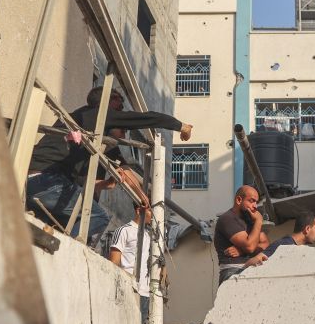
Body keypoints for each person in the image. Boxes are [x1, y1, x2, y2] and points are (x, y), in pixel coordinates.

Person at [27, 87, 193, 242]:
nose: (124, 131)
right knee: (96, 217)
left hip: (33, 182)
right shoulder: (98, 114)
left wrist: (143, 196)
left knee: (57, 225)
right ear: (107, 100)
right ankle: (63, 250)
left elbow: (124, 169)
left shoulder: (93, 137)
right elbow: (144, 118)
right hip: (46, 179)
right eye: (118, 102)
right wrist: (180, 126)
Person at [214, 186, 270, 284]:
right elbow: (250, 246)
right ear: (239, 200)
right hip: (233, 271)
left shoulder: (249, 220)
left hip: (250, 270)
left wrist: (241, 250)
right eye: (252, 201)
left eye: (256, 202)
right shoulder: (228, 219)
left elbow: (265, 244)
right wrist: (258, 221)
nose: (255, 206)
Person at [109, 205, 153, 324]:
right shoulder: (124, 230)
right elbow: (114, 263)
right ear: (139, 211)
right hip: (128, 289)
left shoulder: (148, 235)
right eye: (150, 210)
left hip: (145, 292)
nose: (153, 214)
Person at [243, 212, 315, 267]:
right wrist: (260, 263)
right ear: (307, 229)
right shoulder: (283, 244)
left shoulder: (299, 248)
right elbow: (249, 262)